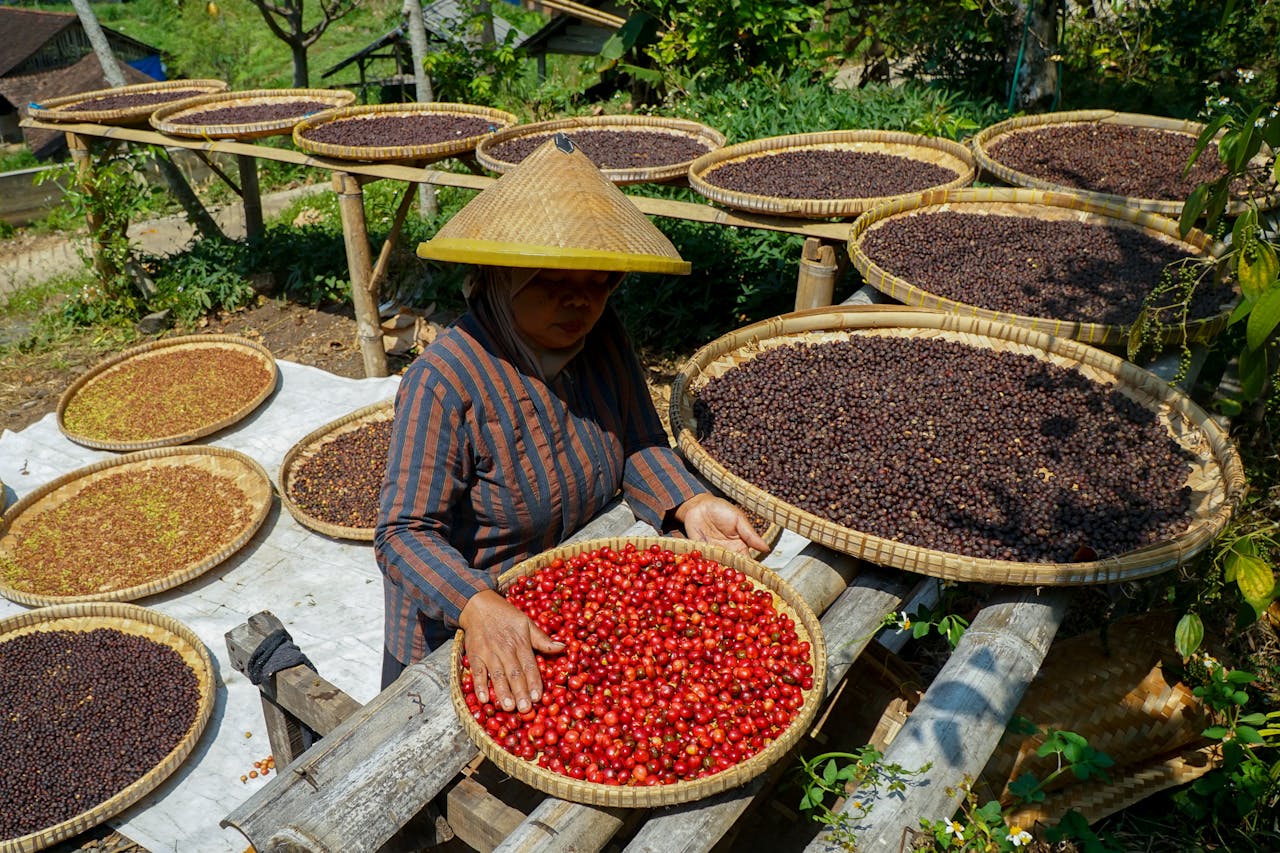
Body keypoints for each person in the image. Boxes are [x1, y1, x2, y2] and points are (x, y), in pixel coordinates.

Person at [374, 135, 767, 709]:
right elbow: (402, 534)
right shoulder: (445, 381)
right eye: (554, 287)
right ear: (503, 280)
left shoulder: (602, 338)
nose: (579, 305)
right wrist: (477, 606)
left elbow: (638, 441)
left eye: (596, 286)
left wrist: (688, 502)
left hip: (565, 599)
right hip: (463, 625)